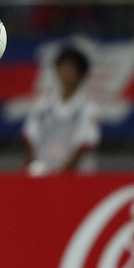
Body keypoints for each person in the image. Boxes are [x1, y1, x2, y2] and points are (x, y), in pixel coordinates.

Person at [22, 45, 100, 176]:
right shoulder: (44, 102)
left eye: (71, 69)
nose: (66, 73)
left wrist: (63, 176)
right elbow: (31, 136)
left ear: (81, 73)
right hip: (43, 170)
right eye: (63, 68)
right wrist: (27, 169)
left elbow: (84, 144)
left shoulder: (88, 107)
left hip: (77, 175)